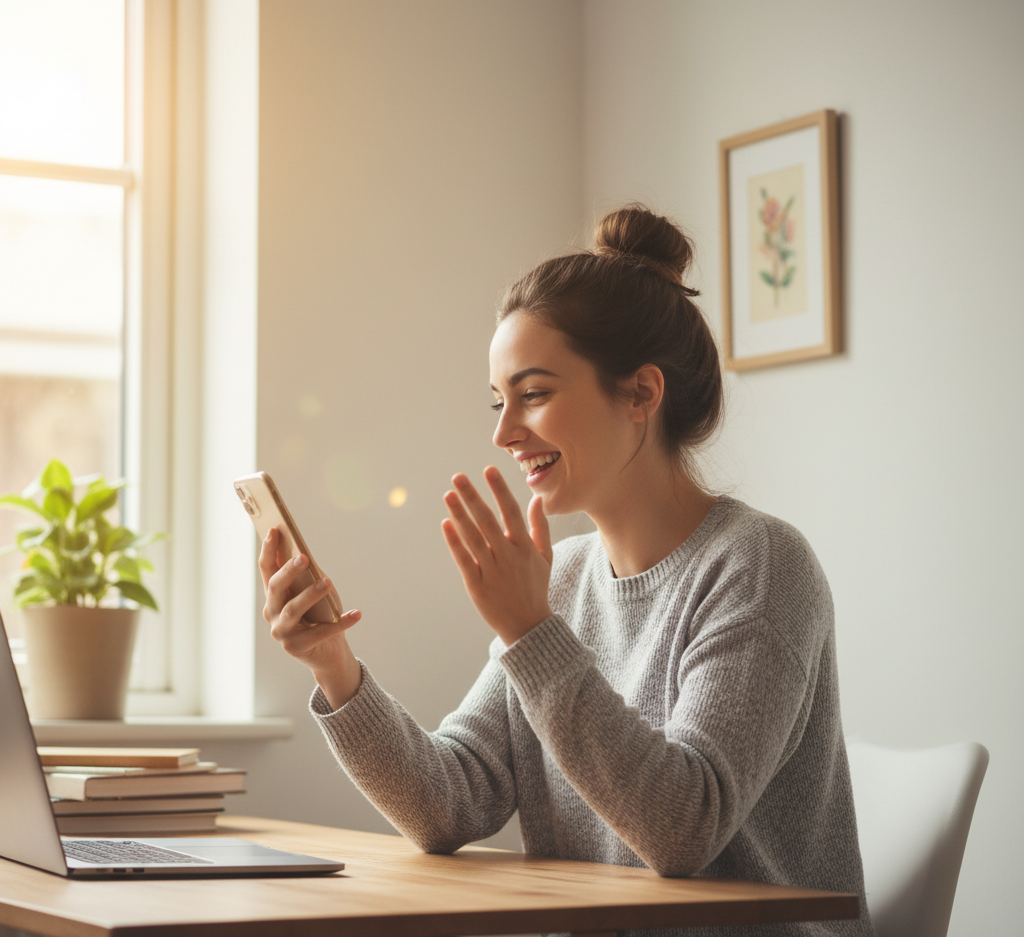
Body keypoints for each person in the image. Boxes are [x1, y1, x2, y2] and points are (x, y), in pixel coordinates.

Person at [259, 205, 872, 936]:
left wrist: (529, 629)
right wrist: (335, 665)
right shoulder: (564, 579)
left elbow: (684, 828)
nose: (503, 430)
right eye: (498, 400)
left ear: (642, 393)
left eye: (534, 393)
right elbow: (447, 802)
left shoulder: (760, 564)